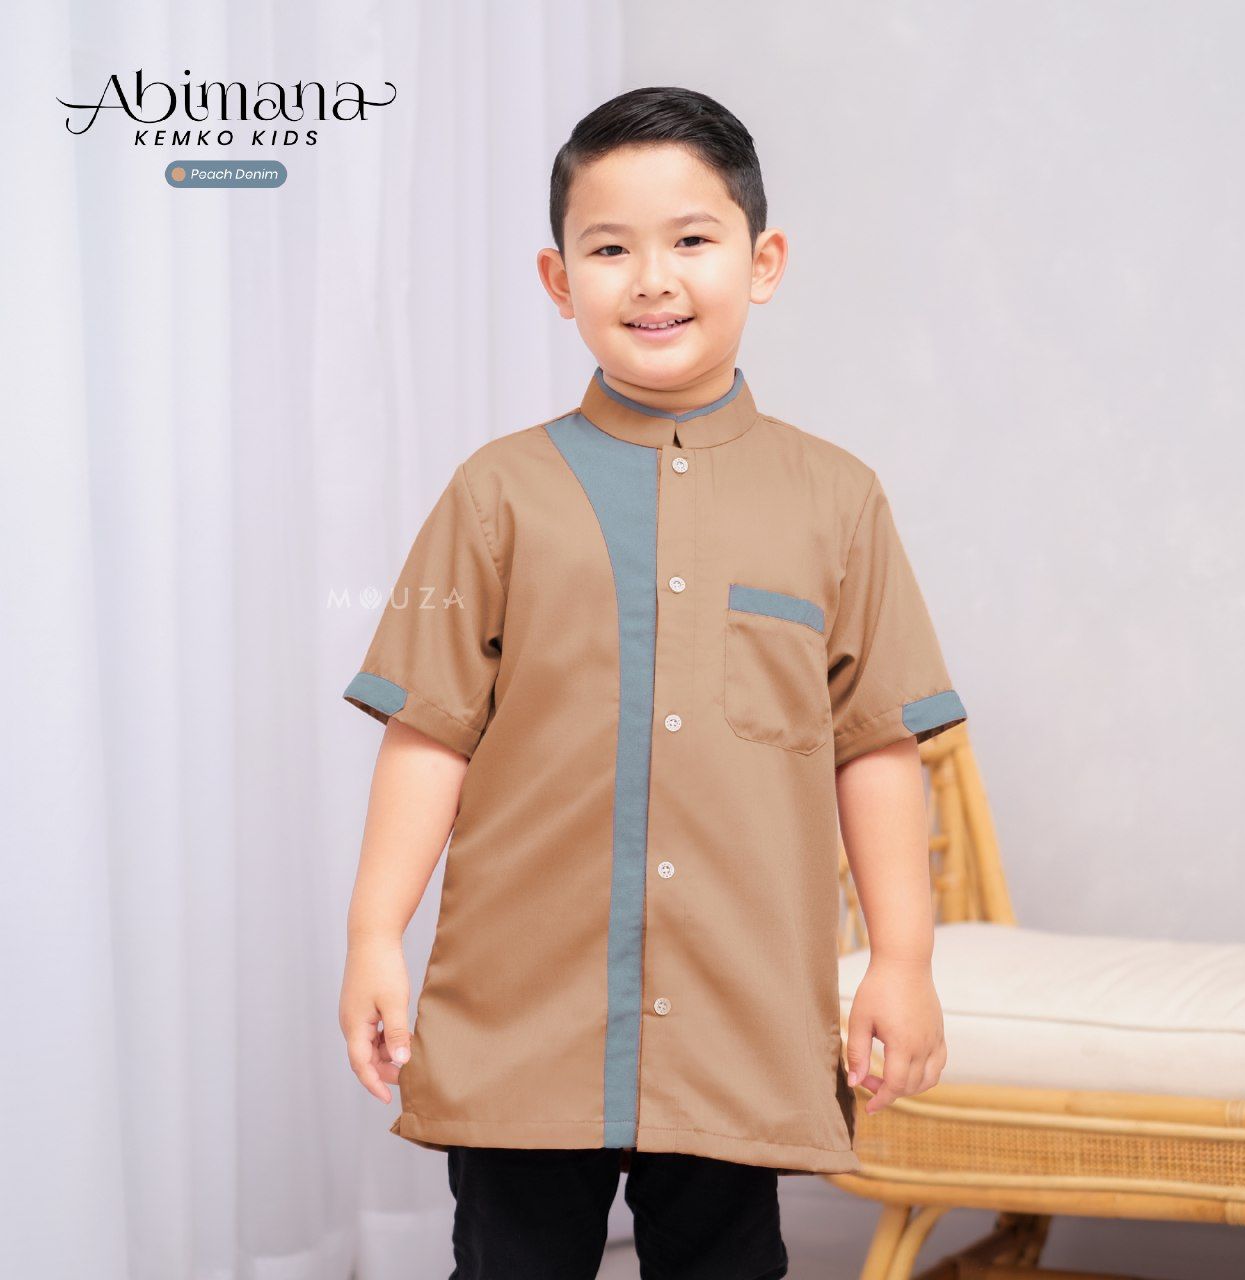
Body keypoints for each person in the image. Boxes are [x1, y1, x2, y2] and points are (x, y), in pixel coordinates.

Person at [338, 84, 967, 1280]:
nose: (651, 279)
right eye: (609, 248)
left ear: (761, 261)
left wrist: (901, 957)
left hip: (739, 1009)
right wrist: (375, 931)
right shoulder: (494, 493)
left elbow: (876, 744)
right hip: (521, 1013)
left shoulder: (836, 500)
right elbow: (429, 730)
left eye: (689, 239)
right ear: (556, 278)